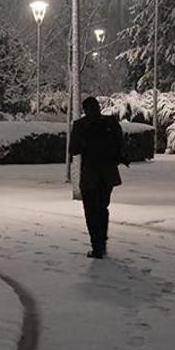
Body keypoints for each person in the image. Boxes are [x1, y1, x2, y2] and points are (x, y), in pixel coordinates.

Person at [69, 96, 129, 259]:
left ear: (85, 109)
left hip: (90, 173)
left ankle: (96, 246)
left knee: (90, 210)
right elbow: (121, 145)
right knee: (103, 208)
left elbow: (73, 150)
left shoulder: (81, 125)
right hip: (108, 173)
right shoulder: (110, 123)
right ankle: (102, 241)